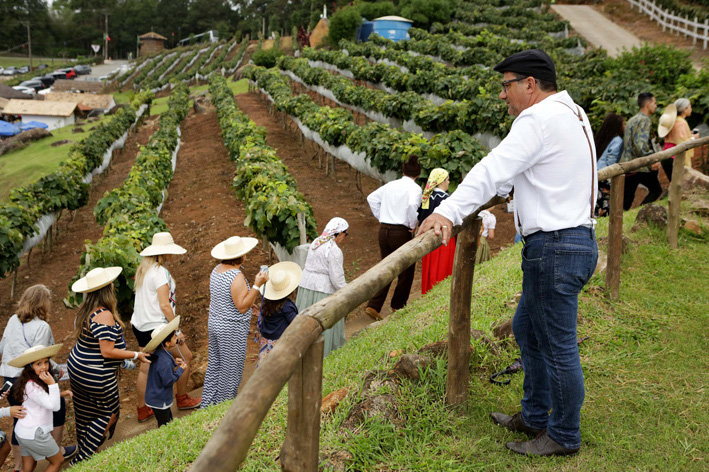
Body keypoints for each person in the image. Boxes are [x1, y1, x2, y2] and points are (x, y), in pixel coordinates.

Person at [419, 49, 598, 456]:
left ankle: (564, 434)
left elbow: (493, 168)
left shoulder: (536, 119)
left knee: (558, 346)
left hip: (554, 245)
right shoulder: (572, 113)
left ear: (530, 85)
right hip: (573, 242)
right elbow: (527, 172)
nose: (503, 95)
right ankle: (535, 415)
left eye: (507, 85)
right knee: (527, 328)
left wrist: (447, 209)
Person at [68, 267, 151, 465]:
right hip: (94, 372)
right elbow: (107, 351)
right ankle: (80, 459)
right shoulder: (103, 314)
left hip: (78, 366)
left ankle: (89, 446)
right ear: (107, 289)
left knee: (86, 412)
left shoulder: (85, 310)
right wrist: (136, 354)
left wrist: (128, 362)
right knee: (109, 413)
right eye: (111, 283)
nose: (114, 285)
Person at [0, 285, 75, 469]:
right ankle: (56, 451)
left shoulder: (12, 319)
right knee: (57, 409)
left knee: (20, 416)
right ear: (43, 303)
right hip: (27, 378)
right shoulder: (42, 326)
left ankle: (19, 466)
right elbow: (38, 358)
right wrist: (56, 370)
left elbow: (3, 348)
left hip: (8, 379)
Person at [132, 232, 199, 423]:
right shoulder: (160, 272)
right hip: (156, 326)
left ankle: (142, 408)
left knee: (145, 367)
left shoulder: (144, 269)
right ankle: (182, 397)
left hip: (140, 325)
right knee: (185, 356)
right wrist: (176, 330)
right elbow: (164, 305)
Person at [201, 236, 268, 408]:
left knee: (215, 366)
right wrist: (256, 286)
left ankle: (207, 406)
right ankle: (223, 409)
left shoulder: (217, 270)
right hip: (231, 330)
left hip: (216, 323)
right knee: (230, 371)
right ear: (242, 256)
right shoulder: (236, 276)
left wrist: (248, 301)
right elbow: (242, 307)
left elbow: (226, 299)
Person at [365, 156, 422, 320]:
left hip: (384, 231)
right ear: (418, 174)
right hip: (401, 232)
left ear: (403, 171)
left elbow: (372, 198)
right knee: (407, 269)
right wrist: (412, 224)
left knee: (386, 266)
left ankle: (373, 306)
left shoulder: (390, 185)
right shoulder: (415, 189)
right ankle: (398, 306)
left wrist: (381, 217)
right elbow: (412, 206)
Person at [8, 344, 70, 472]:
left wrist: (60, 393)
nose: (44, 367)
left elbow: (41, 399)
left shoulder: (30, 381)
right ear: (30, 367)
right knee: (58, 460)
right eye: (38, 364)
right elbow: (54, 406)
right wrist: (52, 384)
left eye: (46, 362)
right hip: (34, 433)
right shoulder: (33, 386)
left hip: (23, 431)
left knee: (29, 467)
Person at [297, 217, 349, 356]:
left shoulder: (316, 242)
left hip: (307, 286)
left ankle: (303, 353)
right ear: (338, 234)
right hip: (322, 290)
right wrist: (347, 290)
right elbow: (336, 279)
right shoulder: (334, 251)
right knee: (323, 323)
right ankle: (324, 355)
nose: (344, 237)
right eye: (345, 234)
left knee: (306, 323)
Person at [142, 317, 187, 428]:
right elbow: (168, 380)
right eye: (174, 336)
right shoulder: (165, 360)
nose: (176, 337)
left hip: (155, 396)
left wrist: (175, 363)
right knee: (165, 425)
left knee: (167, 419)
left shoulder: (162, 353)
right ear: (167, 343)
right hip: (159, 400)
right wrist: (180, 370)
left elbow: (162, 369)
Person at [620, 92, 661, 211]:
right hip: (638, 166)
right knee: (656, 190)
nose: (656, 106)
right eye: (654, 103)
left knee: (626, 200)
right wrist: (651, 159)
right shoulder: (644, 120)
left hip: (627, 164)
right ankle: (639, 213)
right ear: (648, 104)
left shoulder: (632, 119)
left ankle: (623, 218)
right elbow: (640, 145)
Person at [418, 169, 457, 294]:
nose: (448, 182)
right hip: (443, 239)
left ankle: (428, 291)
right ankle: (441, 292)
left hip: (427, 240)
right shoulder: (445, 199)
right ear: (441, 182)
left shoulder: (426, 197)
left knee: (430, 267)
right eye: (447, 179)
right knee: (442, 267)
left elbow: (421, 218)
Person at [256, 262, 302, 364]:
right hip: (280, 342)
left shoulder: (267, 303)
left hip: (266, 341)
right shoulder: (287, 306)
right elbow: (295, 323)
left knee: (265, 367)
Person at [659, 98, 698, 181]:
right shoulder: (681, 122)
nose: (691, 109)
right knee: (678, 185)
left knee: (673, 183)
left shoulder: (673, 121)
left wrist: (688, 134)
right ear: (685, 109)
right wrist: (693, 138)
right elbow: (683, 142)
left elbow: (676, 137)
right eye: (690, 106)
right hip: (675, 157)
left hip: (666, 156)